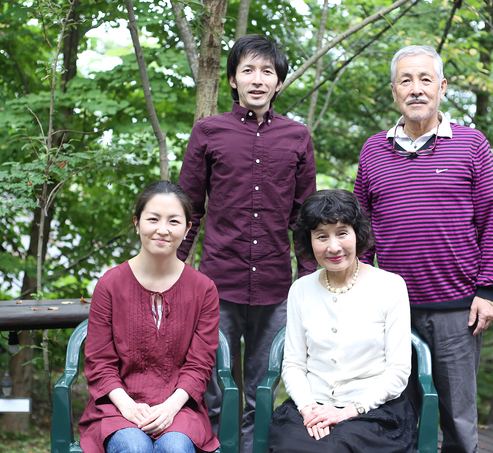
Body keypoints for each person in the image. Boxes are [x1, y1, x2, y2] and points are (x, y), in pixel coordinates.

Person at [354, 45, 493, 453]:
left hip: (458, 311)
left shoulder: (472, 144)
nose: (416, 89)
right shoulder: (373, 150)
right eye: (406, 80)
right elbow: (359, 229)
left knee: (457, 417)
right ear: (394, 91)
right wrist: (357, 293)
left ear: (442, 87)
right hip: (391, 310)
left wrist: (488, 290)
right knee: (396, 416)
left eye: (425, 80)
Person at [177, 34, 317, 453]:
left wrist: (310, 280)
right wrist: (173, 273)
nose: (258, 79)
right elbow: (189, 210)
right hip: (216, 283)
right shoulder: (208, 132)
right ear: (234, 80)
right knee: (216, 385)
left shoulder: (297, 137)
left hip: (276, 288)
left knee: (263, 384)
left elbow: (303, 217)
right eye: (248, 70)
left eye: (267, 72)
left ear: (278, 83)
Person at [267, 189, 416, 453]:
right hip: (310, 408)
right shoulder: (300, 289)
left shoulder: (391, 286)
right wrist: (308, 408)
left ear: (358, 233)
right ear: (309, 241)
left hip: (372, 411)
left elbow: (398, 371)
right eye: (321, 236)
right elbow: (293, 364)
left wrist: (348, 411)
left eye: (342, 233)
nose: (333, 247)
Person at [79, 181, 220, 453]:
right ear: (137, 222)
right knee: (134, 447)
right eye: (153, 219)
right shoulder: (110, 284)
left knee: (176, 448)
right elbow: (99, 362)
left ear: (188, 228)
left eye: (174, 221)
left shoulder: (204, 289)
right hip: (118, 406)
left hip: (180, 408)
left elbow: (199, 365)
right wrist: (128, 406)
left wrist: (169, 408)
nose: (163, 230)